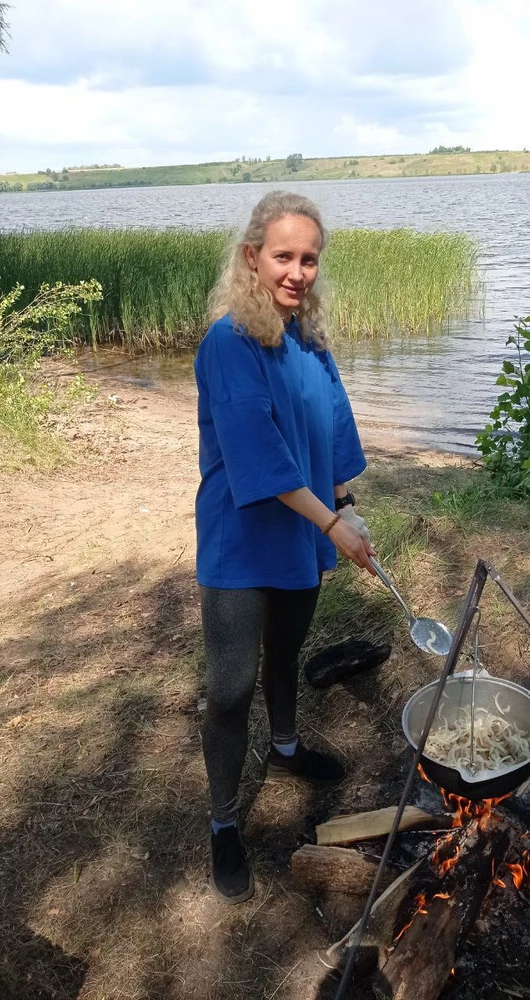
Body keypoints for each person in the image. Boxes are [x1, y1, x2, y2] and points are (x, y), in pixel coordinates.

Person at [194, 191, 375, 904]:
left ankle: (288, 746)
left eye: (308, 259)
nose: (297, 272)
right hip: (241, 541)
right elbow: (259, 458)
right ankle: (222, 822)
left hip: (303, 532)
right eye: (283, 257)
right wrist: (331, 525)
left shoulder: (310, 341)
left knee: (287, 654)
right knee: (231, 688)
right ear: (251, 259)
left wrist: (345, 507)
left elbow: (328, 437)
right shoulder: (228, 343)